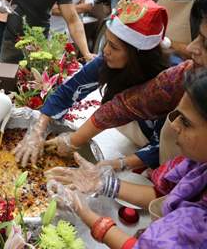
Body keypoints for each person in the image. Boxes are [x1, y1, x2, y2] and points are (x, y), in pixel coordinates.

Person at [27, 0, 207, 168]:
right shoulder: (106, 59)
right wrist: (39, 128)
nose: (105, 51)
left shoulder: (170, 79)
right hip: (122, 131)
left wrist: (119, 164)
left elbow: (161, 144)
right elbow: (69, 89)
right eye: (106, 41)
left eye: (114, 47)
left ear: (139, 56)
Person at [46, 67, 207, 248]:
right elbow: (167, 195)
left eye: (185, 121)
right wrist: (103, 183)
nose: (174, 125)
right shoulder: (198, 165)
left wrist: (84, 212)